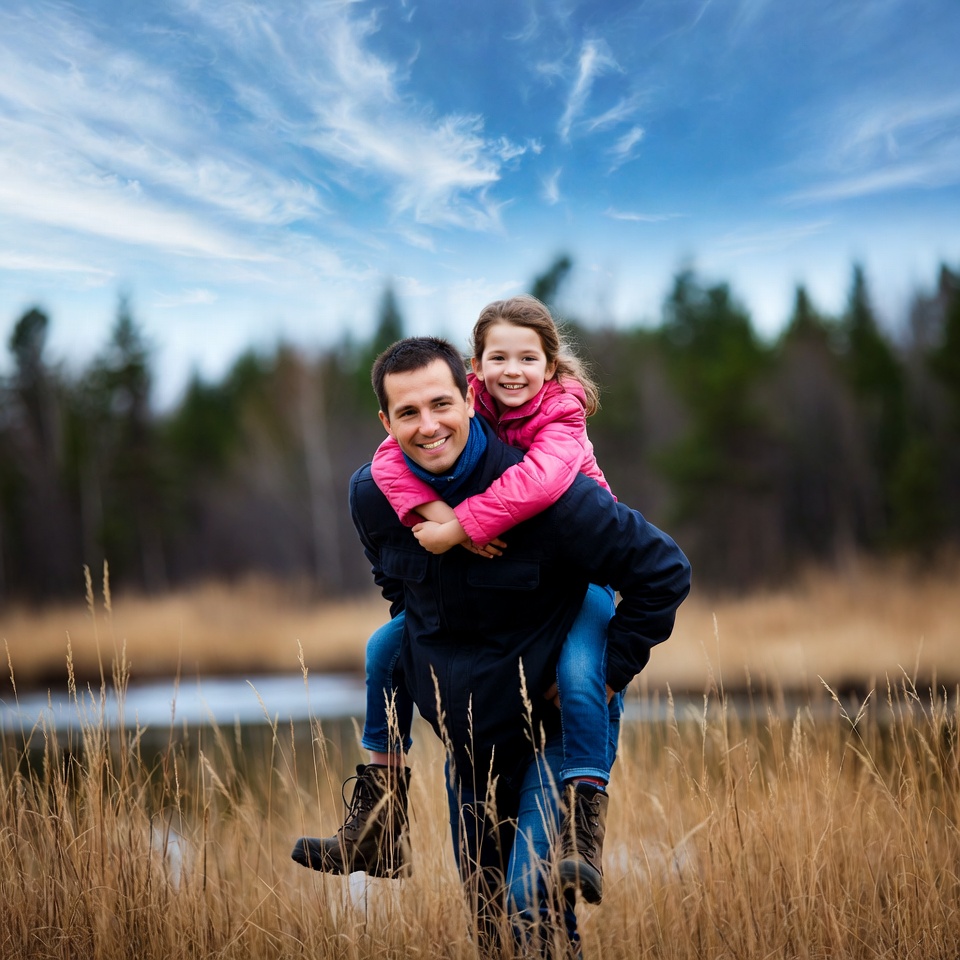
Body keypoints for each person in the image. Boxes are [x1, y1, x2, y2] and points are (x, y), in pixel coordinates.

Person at [293, 336, 690, 955]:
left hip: (552, 736)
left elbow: (663, 570)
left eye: (441, 404)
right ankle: (377, 820)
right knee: (488, 922)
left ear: (470, 399)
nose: (428, 426)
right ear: (385, 421)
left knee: (533, 903)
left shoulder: (541, 492)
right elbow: (401, 596)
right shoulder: (373, 497)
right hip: (470, 749)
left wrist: (607, 674)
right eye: (407, 412)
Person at [299, 296, 619, 902]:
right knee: (383, 651)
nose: (512, 370)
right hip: (476, 725)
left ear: (550, 366)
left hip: (586, 582)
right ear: (479, 369)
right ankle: (378, 821)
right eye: (498, 357)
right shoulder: (461, 418)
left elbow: (541, 482)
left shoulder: (559, 420)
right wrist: (434, 511)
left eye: (528, 357)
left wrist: (461, 527)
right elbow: (387, 469)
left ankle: (583, 822)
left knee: (581, 675)